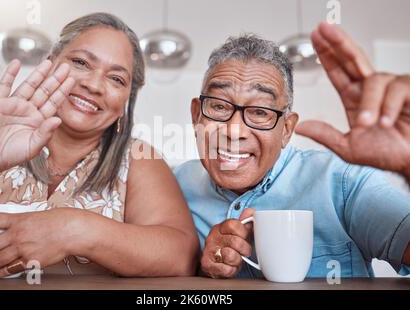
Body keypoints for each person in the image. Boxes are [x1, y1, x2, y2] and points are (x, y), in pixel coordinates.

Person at [0, 12, 199, 278]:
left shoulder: (138, 160)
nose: (94, 85)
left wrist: (75, 229)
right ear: (50, 65)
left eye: (116, 79)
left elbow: (181, 256)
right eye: (81, 62)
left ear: (125, 103)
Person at [174, 22, 410, 279]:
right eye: (219, 107)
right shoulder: (172, 187)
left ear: (286, 130)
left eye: (260, 112)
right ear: (197, 115)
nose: (233, 131)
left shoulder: (342, 180)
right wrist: (200, 268)